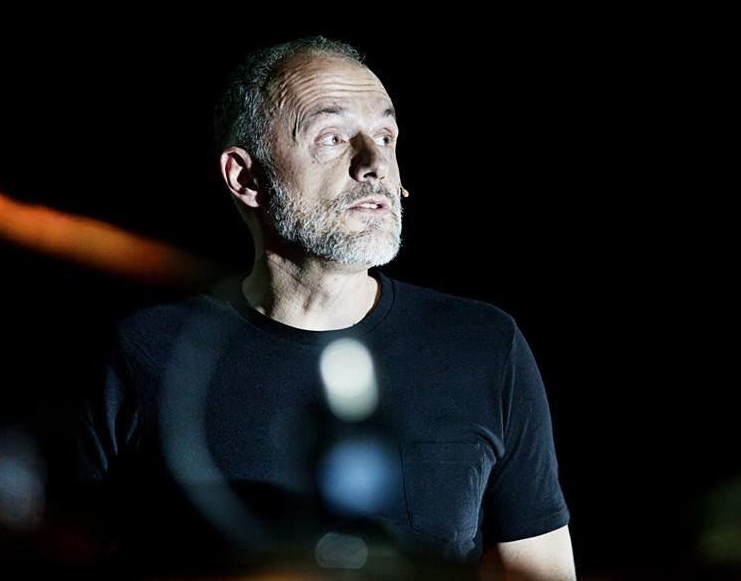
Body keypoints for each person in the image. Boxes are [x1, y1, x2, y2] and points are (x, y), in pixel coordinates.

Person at [73, 37, 576, 579]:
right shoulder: (145, 350)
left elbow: (541, 569)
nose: (375, 164)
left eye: (385, 136)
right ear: (245, 177)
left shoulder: (483, 345)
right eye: (332, 138)